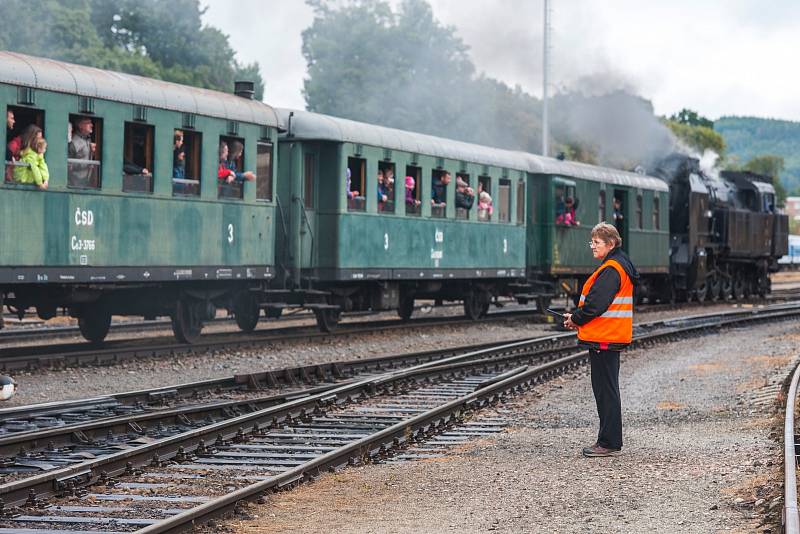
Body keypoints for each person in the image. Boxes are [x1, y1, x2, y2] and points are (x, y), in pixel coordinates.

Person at [563, 222, 639, 458]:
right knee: (607, 389)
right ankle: (609, 440)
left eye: (597, 242)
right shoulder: (617, 265)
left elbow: (596, 304)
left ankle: (608, 442)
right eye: (592, 242)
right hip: (608, 335)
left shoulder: (612, 269)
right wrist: (577, 318)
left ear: (611, 243)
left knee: (605, 390)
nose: (592, 247)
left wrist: (576, 318)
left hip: (606, 337)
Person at [68, 117, 96, 186]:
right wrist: (86, 164)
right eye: (88, 123)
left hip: (86, 181)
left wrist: (92, 152)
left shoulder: (88, 139)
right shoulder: (74, 142)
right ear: (80, 126)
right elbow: (69, 165)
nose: (92, 125)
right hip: (75, 182)